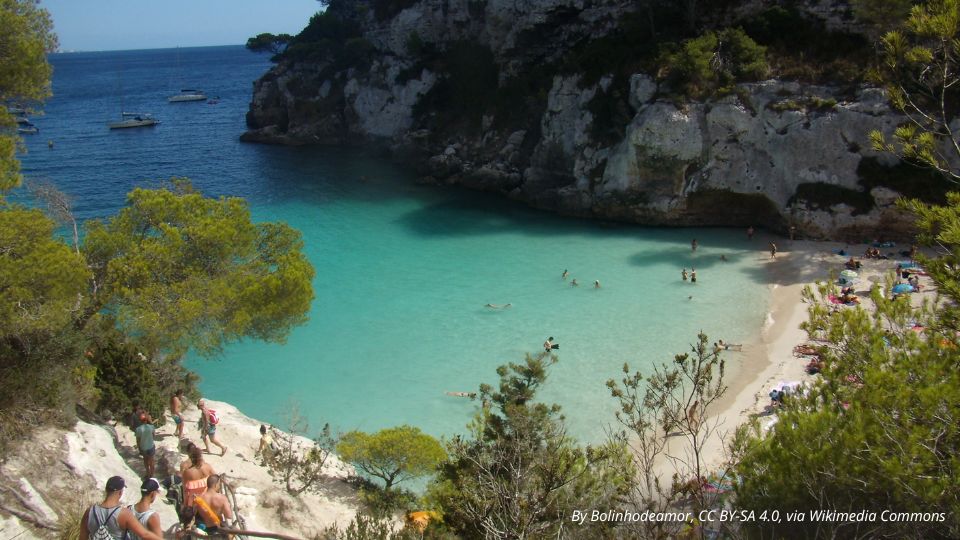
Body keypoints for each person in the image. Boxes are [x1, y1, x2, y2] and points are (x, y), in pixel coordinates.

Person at [79, 476, 161, 540]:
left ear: (106, 490)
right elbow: (144, 534)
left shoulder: (89, 512)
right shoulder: (123, 513)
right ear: (120, 492)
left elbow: (82, 537)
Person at [182, 445, 216, 510]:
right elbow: (216, 481)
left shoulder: (187, 472)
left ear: (191, 458)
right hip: (206, 500)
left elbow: (185, 490)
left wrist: (185, 504)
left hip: (193, 502)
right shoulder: (207, 467)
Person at [134, 413, 157, 479]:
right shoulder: (151, 427)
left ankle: (147, 473)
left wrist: (139, 447)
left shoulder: (138, 429)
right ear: (146, 420)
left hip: (143, 447)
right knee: (151, 461)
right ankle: (151, 475)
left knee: (145, 461)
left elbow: (138, 440)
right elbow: (154, 435)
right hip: (151, 446)